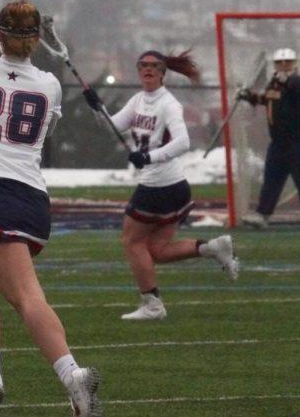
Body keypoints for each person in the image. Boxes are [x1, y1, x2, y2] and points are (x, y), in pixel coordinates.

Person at [0, 0, 102, 417]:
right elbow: (44, 126)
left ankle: (73, 377)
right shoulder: (50, 85)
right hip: (34, 203)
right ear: (36, 39)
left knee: (25, 298)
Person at [83, 50, 239, 321]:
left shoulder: (168, 104)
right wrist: (97, 108)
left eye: (154, 66)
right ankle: (213, 248)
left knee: (132, 242)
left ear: (163, 72)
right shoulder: (138, 100)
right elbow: (112, 127)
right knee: (157, 250)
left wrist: (148, 156)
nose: (148, 70)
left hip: (161, 185)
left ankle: (152, 304)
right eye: (143, 65)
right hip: (170, 187)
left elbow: (183, 142)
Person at [237, 48, 300, 231]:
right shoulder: (273, 84)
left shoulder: (297, 82)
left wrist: (287, 82)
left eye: (288, 62)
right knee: (272, 179)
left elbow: (297, 95)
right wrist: (249, 96)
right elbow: (267, 99)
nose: (284, 65)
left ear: (294, 63)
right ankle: (263, 214)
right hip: (279, 142)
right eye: (280, 62)